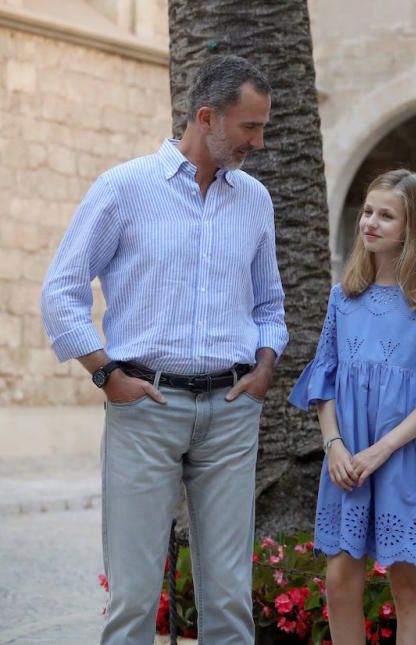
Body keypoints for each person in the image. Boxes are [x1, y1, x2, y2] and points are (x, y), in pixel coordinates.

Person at [39, 55, 286, 644]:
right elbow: (62, 290)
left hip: (231, 410)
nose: (259, 140)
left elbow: (270, 306)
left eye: (263, 126)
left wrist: (263, 369)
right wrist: (106, 375)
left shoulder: (255, 200)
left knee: (228, 597)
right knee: (132, 596)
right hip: (144, 407)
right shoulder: (124, 189)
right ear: (207, 117)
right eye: (249, 127)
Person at [288, 169, 416, 645]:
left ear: (412, 229)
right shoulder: (342, 298)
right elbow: (324, 378)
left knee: (409, 585)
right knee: (338, 579)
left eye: (386, 216)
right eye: (368, 211)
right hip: (347, 457)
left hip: (407, 456)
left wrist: (383, 449)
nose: (370, 222)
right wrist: (334, 446)